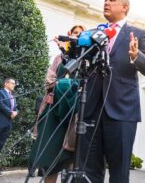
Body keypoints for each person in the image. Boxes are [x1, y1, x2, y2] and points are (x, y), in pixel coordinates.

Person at [80, 0, 145, 183]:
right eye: (105, 0)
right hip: (92, 108)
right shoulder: (94, 33)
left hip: (122, 110)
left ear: (125, 7)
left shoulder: (138, 34)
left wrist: (135, 56)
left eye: (112, 0)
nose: (106, 3)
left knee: (119, 171)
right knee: (89, 168)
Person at [29, 25, 85, 183]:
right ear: (70, 35)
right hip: (53, 112)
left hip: (73, 113)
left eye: (81, 34)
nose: (78, 36)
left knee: (71, 160)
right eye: (75, 33)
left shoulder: (86, 59)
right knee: (49, 159)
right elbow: (49, 81)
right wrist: (65, 83)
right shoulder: (58, 59)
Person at [0, 78, 18, 176]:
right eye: (12, 83)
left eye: (14, 83)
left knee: (0, 145)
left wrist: (16, 112)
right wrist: (10, 112)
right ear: (6, 83)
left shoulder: (12, 96)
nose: (14, 85)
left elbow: (16, 107)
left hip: (7, 124)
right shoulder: (0, 92)